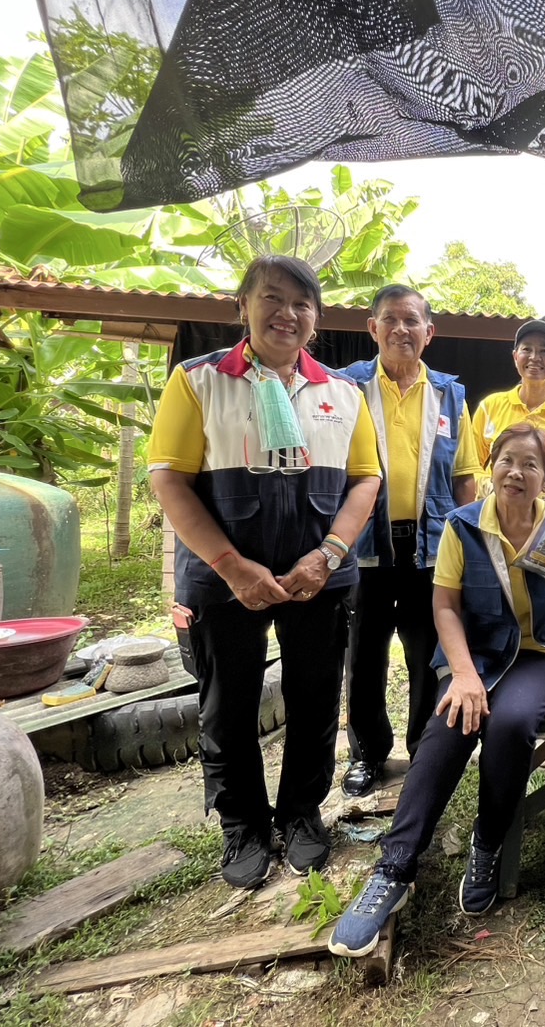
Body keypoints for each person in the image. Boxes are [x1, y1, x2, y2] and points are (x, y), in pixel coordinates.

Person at [149, 255, 382, 889]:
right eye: (272, 299)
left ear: (316, 319)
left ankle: (302, 814)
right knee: (228, 705)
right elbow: (169, 479)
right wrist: (230, 565)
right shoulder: (198, 381)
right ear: (243, 307)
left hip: (318, 577)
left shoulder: (343, 393)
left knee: (315, 699)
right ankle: (243, 826)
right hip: (221, 579)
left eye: (302, 303)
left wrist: (328, 554)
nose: (288, 313)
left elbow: (366, 479)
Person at [328, 424, 545, 958]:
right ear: (492, 465)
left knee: (511, 723)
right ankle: (393, 869)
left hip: (540, 653)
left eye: (531, 464)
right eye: (507, 460)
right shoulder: (462, 525)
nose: (516, 472)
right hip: (475, 653)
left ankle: (488, 841)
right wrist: (465, 675)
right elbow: (445, 607)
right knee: (450, 724)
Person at [337, 284, 482, 799]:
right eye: (390, 319)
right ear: (372, 328)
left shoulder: (449, 395)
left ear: (429, 332)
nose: (401, 329)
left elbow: (464, 477)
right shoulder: (347, 387)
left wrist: (468, 546)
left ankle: (424, 749)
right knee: (365, 653)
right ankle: (367, 753)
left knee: (426, 653)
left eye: (412, 320)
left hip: (431, 547)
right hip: (364, 544)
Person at [470, 319, 545, 466]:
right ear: (515, 357)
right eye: (526, 349)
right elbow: (472, 465)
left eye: (544, 351)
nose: (534, 357)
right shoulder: (490, 406)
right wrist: (490, 480)